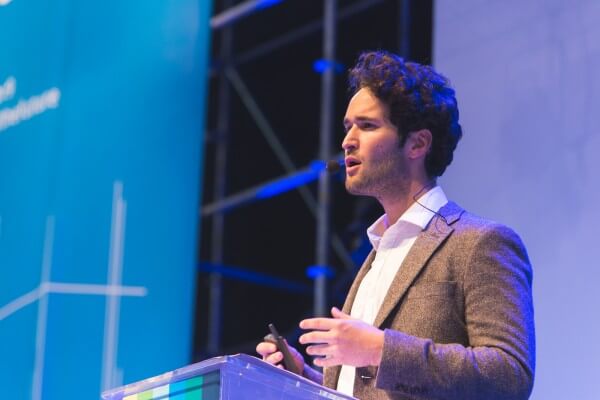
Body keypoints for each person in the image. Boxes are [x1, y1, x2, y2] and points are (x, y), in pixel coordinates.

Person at [256, 50, 535, 400]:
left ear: (418, 143)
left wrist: (381, 349)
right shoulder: (376, 256)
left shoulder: (480, 243)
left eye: (367, 126)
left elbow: (510, 375)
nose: (347, 141)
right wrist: (302, 377)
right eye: (347, 127)